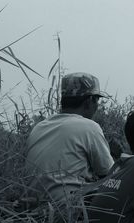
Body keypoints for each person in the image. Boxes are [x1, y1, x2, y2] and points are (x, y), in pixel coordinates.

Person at [25, 72, 114, 202]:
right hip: (69, 209)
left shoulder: (39, 127)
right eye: (97, 100)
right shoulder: (89, 127)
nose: (97, 106)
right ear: (90, 101)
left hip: (33, 208)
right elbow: (109, 175)